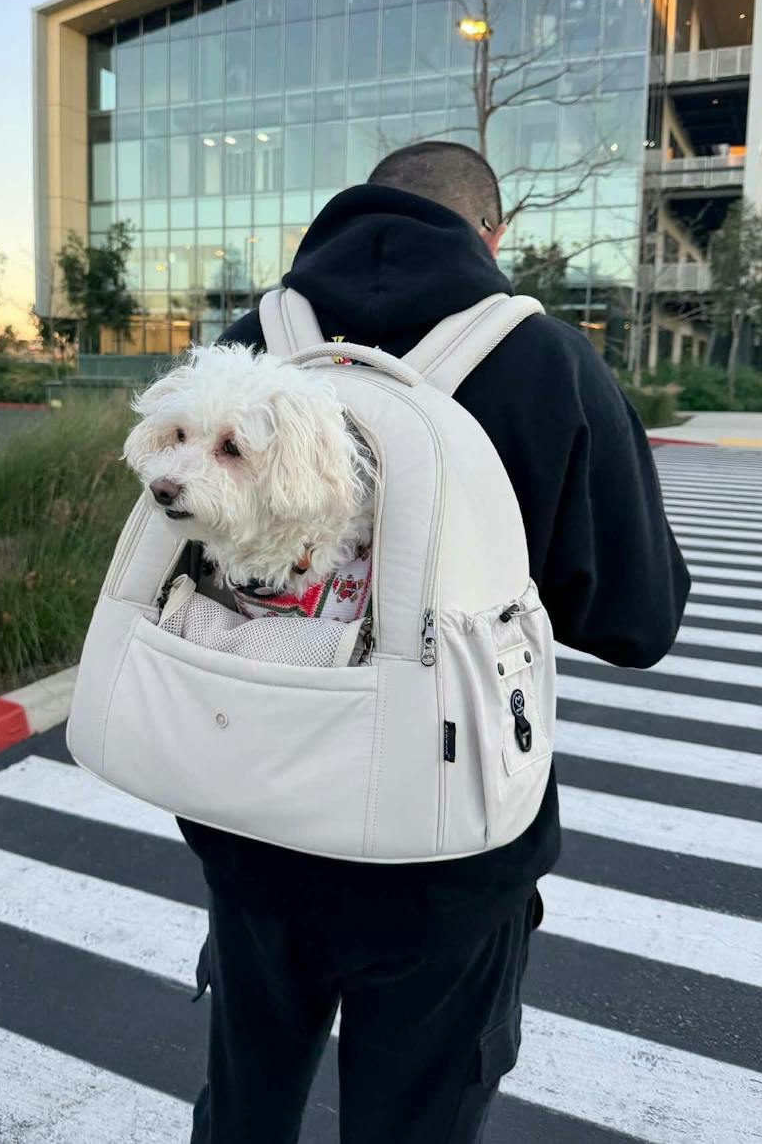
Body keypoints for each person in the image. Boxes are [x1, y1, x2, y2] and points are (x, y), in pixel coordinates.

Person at [183, 140, 690, 1144]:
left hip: (253, 818)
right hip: (448, 852)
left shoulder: (247, 350)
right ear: (490, 235)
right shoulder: (544, 360)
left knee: (245, 1109)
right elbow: (637, 620)